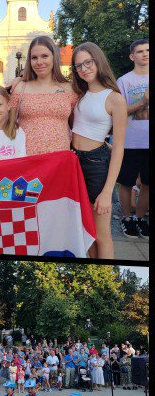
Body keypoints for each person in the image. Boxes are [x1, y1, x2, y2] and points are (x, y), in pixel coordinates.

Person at [69, 42, 128, 258]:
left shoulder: (115, 98)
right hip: (74, 162)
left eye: (88, 62)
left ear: (98, 61)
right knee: (85, 233)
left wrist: (106, 192)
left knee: (102, 235)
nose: (84, 68)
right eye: (78, 66)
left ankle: (108, 284)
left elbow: (119, 148)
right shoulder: (79, 93)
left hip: (97, 166)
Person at [9, 35, 78, 155]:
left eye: (44, 56)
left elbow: (77, 127)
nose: (39, 62)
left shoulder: (69, 89)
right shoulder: (20, 88)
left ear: (54, 57)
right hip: (26, 161)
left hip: (59, 162)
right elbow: (7, 126)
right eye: (34, 58)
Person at [116, 39, 149, 239]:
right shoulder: (124, 81)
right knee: (127, 182)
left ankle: (140, 218)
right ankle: (127, 218)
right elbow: (120, 112)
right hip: (131, 140)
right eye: (140, 51)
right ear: (132, 56)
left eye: (148, 50)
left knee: (147, 183)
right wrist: (142, 101)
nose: (145, 54)